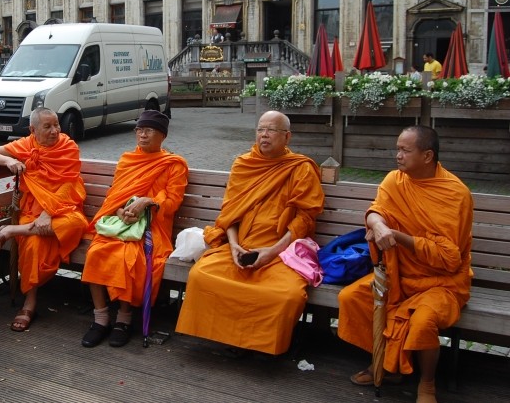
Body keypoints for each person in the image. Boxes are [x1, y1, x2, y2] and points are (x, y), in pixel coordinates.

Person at [338, 125, 472, 403]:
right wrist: (377, 225)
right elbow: (376, 210)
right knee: (352, 297)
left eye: (405, 150)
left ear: (427, 156)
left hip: (441, 282)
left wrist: (397, 236)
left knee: (423, 322)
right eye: (397, 149)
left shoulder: (455, 193)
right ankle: (386, 363)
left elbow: (449, 258)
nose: (397, 155)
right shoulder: (394, 180)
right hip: (398, 272)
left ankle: (427, 384)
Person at [175, 111, 324, 355]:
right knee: (202, 275)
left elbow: (305, 219)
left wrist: (272, 251)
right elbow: (231, 212)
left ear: (287, 136)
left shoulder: (301, 168)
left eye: (271, 130)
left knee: (287, 295)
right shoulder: (244, 164)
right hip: (240, 245)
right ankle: (227, 339)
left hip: (281, 251)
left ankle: (258, 347)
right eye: (260, 129)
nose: (264, 135)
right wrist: (234, 246)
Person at [81, 110, 188, 348]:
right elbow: (113, 197)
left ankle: (124, 318)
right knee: (95, 252)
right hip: (120, 225)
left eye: (148, 130)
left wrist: (147, 202)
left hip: (153, 228)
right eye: (139, 130)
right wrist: (122, 212)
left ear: (162, 136)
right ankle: (100, 318)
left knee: (128, 257)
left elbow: (172, 203)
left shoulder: (174, 164)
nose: (142, 135)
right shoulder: (128, 159)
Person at [0, 107, 88, 331]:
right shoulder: (26, 145)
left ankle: (9, 232)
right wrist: (7, 161)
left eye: (56, 125)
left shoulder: (68, 147)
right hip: (32, 215)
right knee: (33, 243)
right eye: (47, 126)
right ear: (32, 129)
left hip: (62, 210)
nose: (54, 131)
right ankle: (29, 303)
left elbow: (68, 186)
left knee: (76, 223)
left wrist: (48, 213)